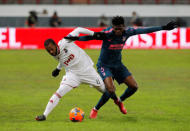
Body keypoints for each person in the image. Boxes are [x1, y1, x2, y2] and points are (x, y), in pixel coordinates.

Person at [64, 16, 178, 119]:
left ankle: (120, 101)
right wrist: (76, 39)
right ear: (112, 27)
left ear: (123, 26)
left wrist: (163, 27)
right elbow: (91, 37)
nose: (118, 31)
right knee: (110, 89)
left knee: (134, 87)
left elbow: (145, 30)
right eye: (116, 29)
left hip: (118, 65)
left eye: (120, 28)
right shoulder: (107, 33)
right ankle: (95, 109)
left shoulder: (128, 32)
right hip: (104, 65)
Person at [35, 27, 125, 121]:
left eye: (52, 49)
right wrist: (58, 69)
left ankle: (118, 101)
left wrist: (93, 34)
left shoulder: (65, 41)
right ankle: (44, 115)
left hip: (87, 71)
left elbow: (78, 30)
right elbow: (62, 59)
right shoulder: (54, 54)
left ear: (56, 45)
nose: (51, 52)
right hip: (72, 75)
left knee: (107, 91)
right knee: (59, 92)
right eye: (48, 51)